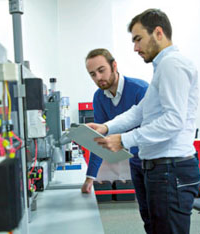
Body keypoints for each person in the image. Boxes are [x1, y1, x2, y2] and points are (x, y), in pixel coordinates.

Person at [88, 9, 200, 234]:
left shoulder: (172, 65)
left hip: (170, 168)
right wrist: (107, 127)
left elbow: (173, 121)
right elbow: (139, 111)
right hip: (161, 169)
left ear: (158, 33)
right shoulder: (162, 68)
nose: (135, 48)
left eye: (138, 39)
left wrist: (125, 139)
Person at [81, 48, 151, 233]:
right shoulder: (99, 97)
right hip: (135, 163)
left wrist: (122, 140)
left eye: (102, 70)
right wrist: (91, 178)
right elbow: (99, 139)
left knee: (159, 215)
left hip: (154, 162)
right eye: (92, 74)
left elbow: (150, 131)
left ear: (114, 66)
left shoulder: (140, 90)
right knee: (146, 214)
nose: (98, 77)